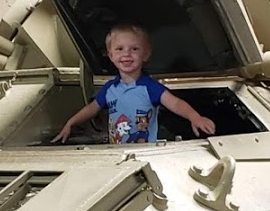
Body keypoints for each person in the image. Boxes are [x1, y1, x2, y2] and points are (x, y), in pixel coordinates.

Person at [55, 23, 217, 144]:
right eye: (119, 49)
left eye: (134, 49)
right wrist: (71, 123)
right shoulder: (110, 89)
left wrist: (195, 117)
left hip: (145, 155)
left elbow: (175, 103)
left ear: (146, 54)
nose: (126, 54)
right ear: (110, 55)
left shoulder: (150, 87)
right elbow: (92, 108)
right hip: (117, 153)